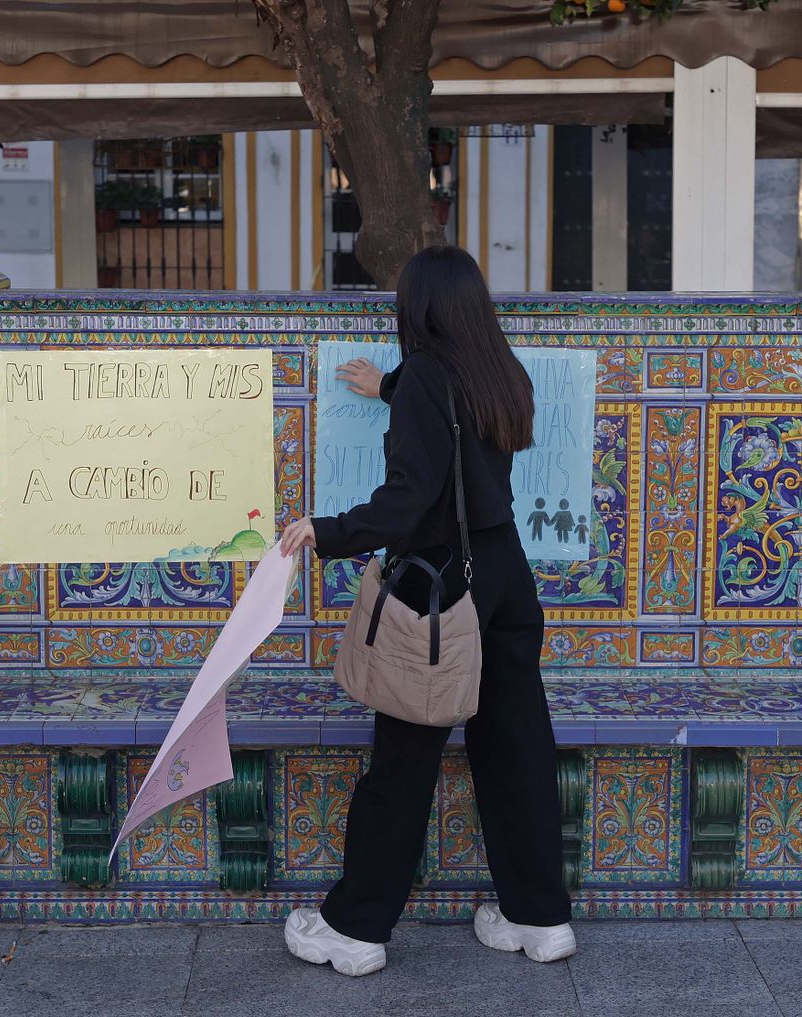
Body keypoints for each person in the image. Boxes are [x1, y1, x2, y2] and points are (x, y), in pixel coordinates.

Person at [278, 245, 575, 977]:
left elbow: (409, 498)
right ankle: (540, 916)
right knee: (516, 749)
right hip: (505, 575)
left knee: (403, 767)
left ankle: (355, 928)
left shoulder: (428, 382)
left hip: (439, 585)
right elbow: (457, 430)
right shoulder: (500, 371)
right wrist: (390, 387)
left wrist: (328, 531)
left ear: (419, 309)